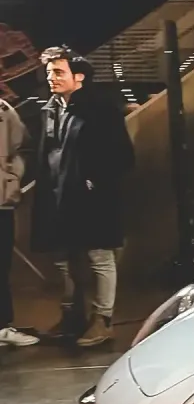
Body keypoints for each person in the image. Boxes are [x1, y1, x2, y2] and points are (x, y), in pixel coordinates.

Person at [30, 46, 135, 348]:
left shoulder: (100, 109)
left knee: (99, 256)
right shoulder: (51, 109)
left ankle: (103, 320)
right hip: (57, 194)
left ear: (79, 76)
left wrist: (94, 182)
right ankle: (72, 316)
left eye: (58, 71)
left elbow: (123, 156)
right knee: (62, 257)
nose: (51, 77)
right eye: (49, 72)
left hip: (92, 197)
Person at [0, 96, 38, 347]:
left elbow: (22, 147)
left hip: (0, 201)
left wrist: (10, 180)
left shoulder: (4, 111)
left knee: (1, 266)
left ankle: (2, 326)